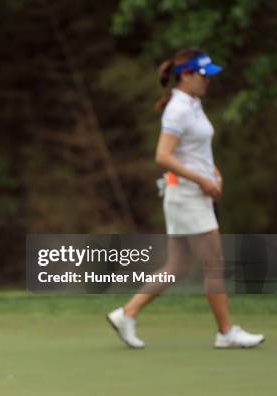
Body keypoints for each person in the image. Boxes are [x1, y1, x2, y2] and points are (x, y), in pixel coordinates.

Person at [107, 49, 264, 349]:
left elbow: (195, 152)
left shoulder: (193, 104)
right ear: (187, 75)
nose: (208, 81)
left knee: (177, 266)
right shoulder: (178, 109)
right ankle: (226, 332)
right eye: (204, 76)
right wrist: (203, 179)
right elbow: (163, 155)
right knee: (214, 265)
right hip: (187, 197)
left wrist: (213, 172)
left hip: (189, 195)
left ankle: (127, 313)